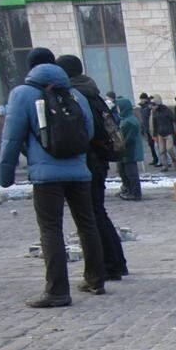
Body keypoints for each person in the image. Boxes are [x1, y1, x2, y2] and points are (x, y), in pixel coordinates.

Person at [0, 47, 106, 307]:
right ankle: (95, 279)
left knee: (51, 229)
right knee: (87, 224)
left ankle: (57, 291)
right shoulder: (75, 94)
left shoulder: (22, 94)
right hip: (80, 171)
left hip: (46, 176)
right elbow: (88, 132)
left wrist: (5, 174)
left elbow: (11, 138)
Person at [56, 54, 128, 280]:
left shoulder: (77, 95)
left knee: (92, 215)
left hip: (90, 159)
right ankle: (116, 262)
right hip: (100, 159)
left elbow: (85, 130)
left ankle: (109, 265)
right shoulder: (91, 91)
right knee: (98, 213)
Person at [116, 97, 143, 201]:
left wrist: (119, 145)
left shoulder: (130, 121)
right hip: (126, 151)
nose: (117, 109)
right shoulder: (125, 119)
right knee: (124, 172)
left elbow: (127, 139)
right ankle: (128, 190)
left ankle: (135, 193)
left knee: (131, 173)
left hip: (130, 151)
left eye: (119, 107)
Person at [150, 95, 176, 171]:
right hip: (160, 134)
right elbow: (155, 124)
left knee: (169, 149)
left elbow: (174, 119)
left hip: (168, 133)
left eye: (153, 105)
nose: (152, 107)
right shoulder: (155, 113)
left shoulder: (166, 110)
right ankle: (165, 166)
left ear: (157, 104)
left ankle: (175, 162)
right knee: (162, 151)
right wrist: (155, 135)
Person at [138, 93, 160, 167]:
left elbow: (146, 116)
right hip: (147, 128)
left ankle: (158, 159)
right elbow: (143, 119)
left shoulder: (148, 106)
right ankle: (155, 158)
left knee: (155, 145)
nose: (141, 100)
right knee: (151, 145)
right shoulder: (144, 107)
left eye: (142, 99)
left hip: (151, 128)